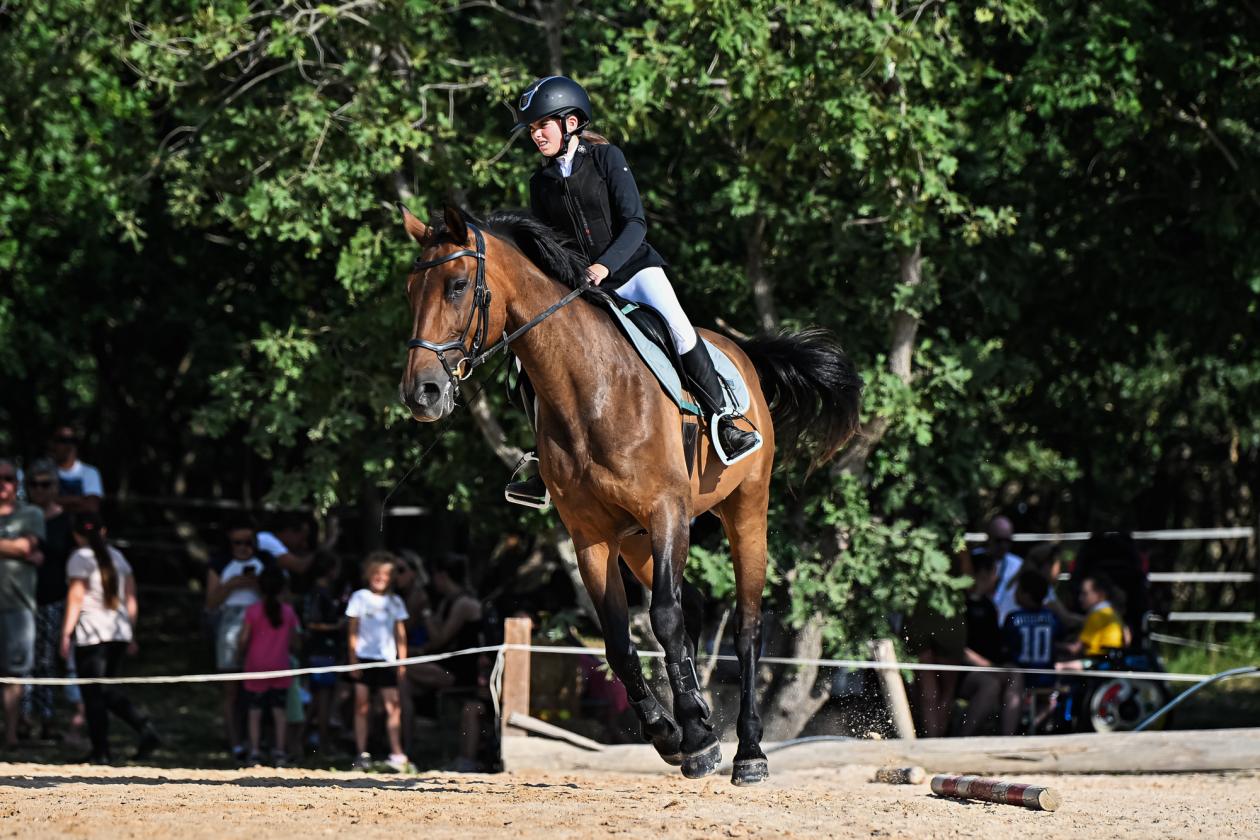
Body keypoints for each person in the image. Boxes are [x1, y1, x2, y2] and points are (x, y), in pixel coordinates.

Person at [503, 75, 760, 507]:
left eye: (542, 125)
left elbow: (635, 223)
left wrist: (606, 264)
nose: (536, 134)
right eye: (532, 129)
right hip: (582, 285)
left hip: (633, 269)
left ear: (570, 122)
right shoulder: (540, 182)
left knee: (679, 330)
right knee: (529, 358)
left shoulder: (606, 158)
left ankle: (727, 421)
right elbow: (546, 245)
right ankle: (544, 459)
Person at [60, 512, 159, 764]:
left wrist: (65, 633)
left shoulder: (79, 557)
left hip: (92, 634)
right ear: (103, 531)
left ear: (76, 533)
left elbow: (75, 598)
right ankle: (140, 729)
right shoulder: (118, 557)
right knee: (105, 691)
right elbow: (131, 599)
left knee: (93, 693)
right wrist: (131, 633)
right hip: (119, 632)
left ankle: (102, 750)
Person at [24, 459, 84, 741]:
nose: (40, 490)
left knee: (47, 661)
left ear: (55, 487)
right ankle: (24, 720)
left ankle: (46, 719)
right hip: (21, 599)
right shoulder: (20, 516)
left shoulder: (64, 522)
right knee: (22, 662)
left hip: (53, 599)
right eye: (34, 484)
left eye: (46, 484)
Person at [407, 553, 486, 771]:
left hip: (462, 672)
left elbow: (439, 639)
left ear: (442, 576)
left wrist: (424, 611)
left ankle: (407, 745)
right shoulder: (450, 601)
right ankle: (407, 747)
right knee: (403, 681)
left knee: (401, 670)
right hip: (449, 666)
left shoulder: (464, 604)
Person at [205, 521, 272, 761]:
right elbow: (210, 603)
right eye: (238, 543)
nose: (244, 548)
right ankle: (236, 745)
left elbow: (279, 596)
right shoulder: (220, 564)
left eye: (249, 543)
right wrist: (232, 585)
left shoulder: (265, 562)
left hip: (262, 623)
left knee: (261, 688)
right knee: (232, 689)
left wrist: (260, 584)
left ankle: (260, 742)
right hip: (229, 622)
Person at [346, 552, 410, 772]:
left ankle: (397, 752)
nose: (380, 578)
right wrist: (353, 658)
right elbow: (353, 629)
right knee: (361, 706)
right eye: (376, 573)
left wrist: (402, 661)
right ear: (368, 575)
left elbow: (400, 633)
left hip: (387, 659)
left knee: (392, 706)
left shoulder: (395, 602)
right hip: (364, 658)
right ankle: (361, 753)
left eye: (385, 574)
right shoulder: (359, 597)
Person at [0, 457, 44, 750]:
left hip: (18, 605)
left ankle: (12, 735)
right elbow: (19, 548)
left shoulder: (31, 513)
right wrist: (13, 548)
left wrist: (22, 549)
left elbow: (28, 547)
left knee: (14, 673)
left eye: (9, 478)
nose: (4, 485)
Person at [237, 567, 301, 766]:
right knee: (279, 712)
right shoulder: (288, 612)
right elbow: (295, 642)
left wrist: (239, 654)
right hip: (281, 666)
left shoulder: (252, 611)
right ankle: (280, 752)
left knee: (255, 712)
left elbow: (243, 639)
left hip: (255, 667)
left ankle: (254, 752)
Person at [1000, 570, 1065, 729]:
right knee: (1050, 699)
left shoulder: (1014, 618)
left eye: (1018, 589)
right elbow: (1059, 638)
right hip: (1046, 676)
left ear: (1027, 594)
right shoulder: (1052, 617)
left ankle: (1014, 729)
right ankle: (1032, 726)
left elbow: (1005, 645)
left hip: (1023, 677)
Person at [301, 550, 346, 754]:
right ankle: (322, 743)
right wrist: (337, 626)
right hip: (321, 651)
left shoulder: (320, 591)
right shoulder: (319, 593)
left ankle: (304, 739)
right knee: (323, 697)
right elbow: (312, 623)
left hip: (325, 650)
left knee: (320, 697)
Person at [977, 516, 1024, 624]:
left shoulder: (1019, 565)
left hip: (1007, 627)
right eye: (999, 541)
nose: (1003, 545)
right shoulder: (975, 560)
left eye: (1007, 541)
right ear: (989, 538)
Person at [1066, 573, 1126, 657]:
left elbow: (1076, 649)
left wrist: (1055, 645)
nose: (1080, 598)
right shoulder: (1113, 613)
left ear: (1100, 594)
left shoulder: (1097, 615)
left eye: (1085, 594)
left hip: (1098, 661)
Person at [48, 426, 102, 516]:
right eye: (57, 440)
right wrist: (78, 500)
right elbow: (40, 502)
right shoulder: (46, 471)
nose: (55, 446)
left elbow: (92, 506)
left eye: (69, 441)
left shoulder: (90, 472)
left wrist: (56, 502)